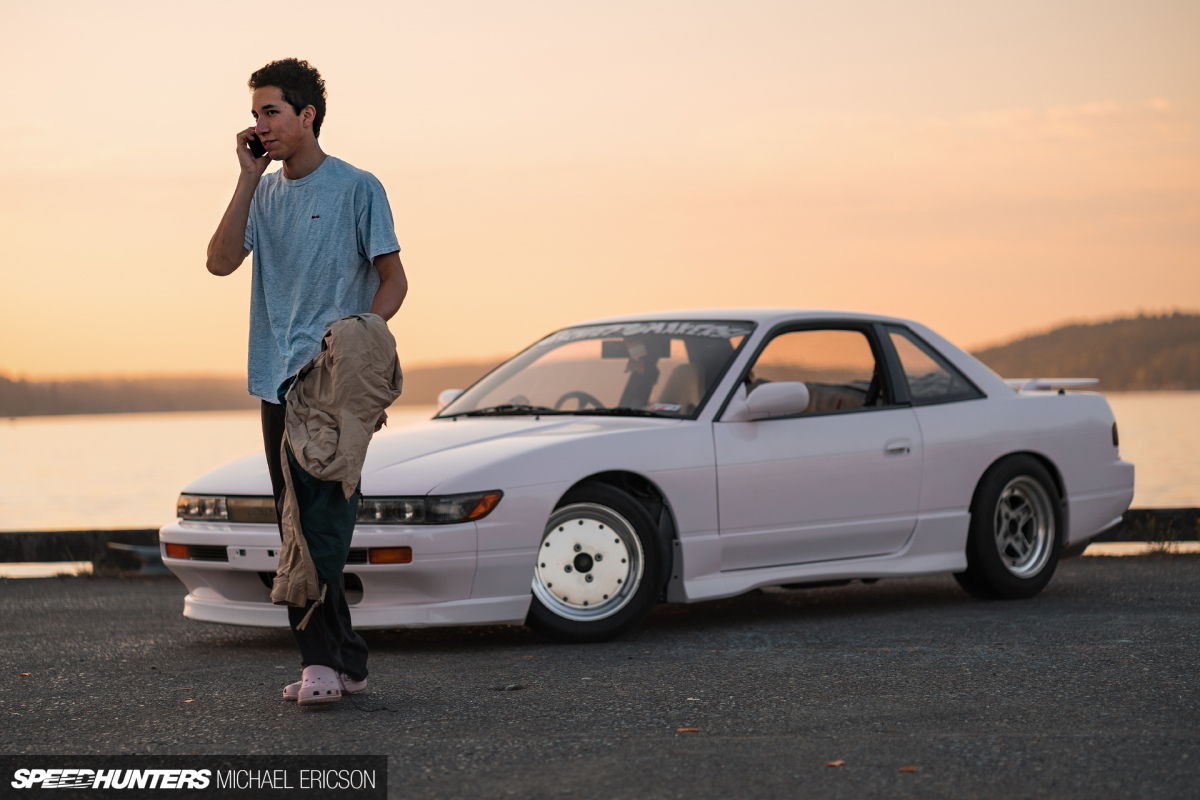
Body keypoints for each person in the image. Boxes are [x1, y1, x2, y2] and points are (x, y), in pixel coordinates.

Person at [206, 58, 408, 703]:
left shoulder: (357, 187)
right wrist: (246, 179)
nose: (260, 124)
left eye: (271, 111)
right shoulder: (263, 194)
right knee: (297, 521)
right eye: (256, 113)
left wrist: (359, 338)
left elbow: (394, 279)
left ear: (307, 115)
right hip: (276, 380)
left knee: (319, 522)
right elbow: (218, 263)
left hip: (333, 383)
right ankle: (342, 661)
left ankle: (321, 663)